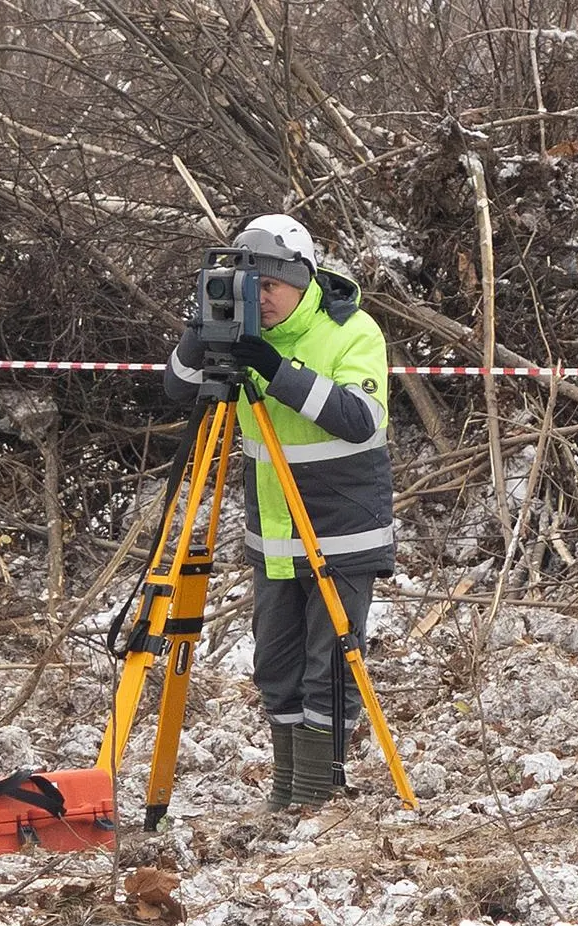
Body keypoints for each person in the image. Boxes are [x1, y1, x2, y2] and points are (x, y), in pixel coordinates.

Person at [164, 213, 394, 811]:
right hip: (274, 533)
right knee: (276, 665)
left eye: (269, 286)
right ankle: (289, 789)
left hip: (340, 531)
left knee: (331, 665)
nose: (259, 298)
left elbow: (359, 419)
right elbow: (178, 386)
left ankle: (319, 791)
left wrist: (273, 367)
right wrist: (206, 325)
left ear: (303, 279)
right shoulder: (240, 330)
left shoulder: (351, 331)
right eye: (249, 284)